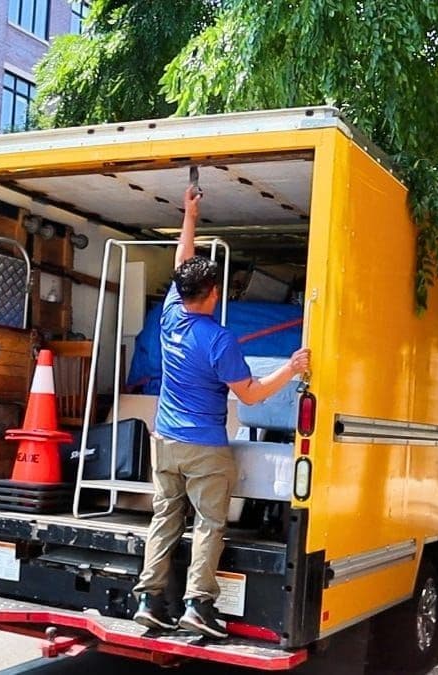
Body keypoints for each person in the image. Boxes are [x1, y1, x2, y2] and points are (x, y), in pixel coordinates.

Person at [132, 183, 311, 638]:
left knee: (164, 517)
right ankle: (197, 605)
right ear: (212, 291)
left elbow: (181, 264)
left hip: (165, 442)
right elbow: (250, 396)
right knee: (209, 524)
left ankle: (150, 599)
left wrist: (188, 215)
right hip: (204, 448)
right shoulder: (218, 340)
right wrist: (291, 369)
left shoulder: (172, 315)